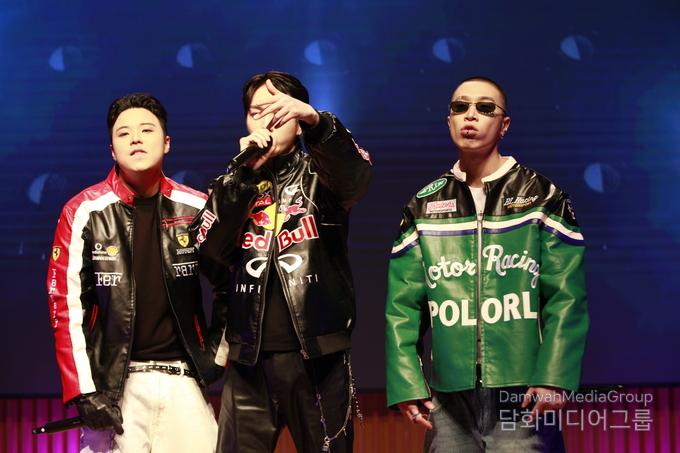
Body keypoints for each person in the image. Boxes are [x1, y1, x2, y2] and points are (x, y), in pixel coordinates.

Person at [384, 77, 589, 452]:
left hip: (523, 394)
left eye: (485, 108)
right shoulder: (423, 206)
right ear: (449, 120)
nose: (470, 115)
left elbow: (567, 297)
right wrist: (406, 382)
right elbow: (403, 307)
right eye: (460, 107)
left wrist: (555, 375)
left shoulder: (542, 197)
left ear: (504, 124)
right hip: (448, 400)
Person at [191, 71, 372, 453]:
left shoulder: (322, 175)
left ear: (299, 118)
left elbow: (356, 175)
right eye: (257, 111)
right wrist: (242, 177)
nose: (267, 119)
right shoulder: (233, 183)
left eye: (278, 110)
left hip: (319, 357)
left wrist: (317, 122)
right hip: (248, 361)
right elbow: (209, 250)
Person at [47, 93, 228, 453]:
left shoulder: (197, 207)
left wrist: (216, 356)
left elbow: (232, 284)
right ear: (112, 150)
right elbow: (66, 306)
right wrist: (84, 392)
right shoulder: (84, 211)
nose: (135, 139)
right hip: (114, 387)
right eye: (123, 133)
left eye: (146, 130)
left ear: (166, 142)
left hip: (184, 381)